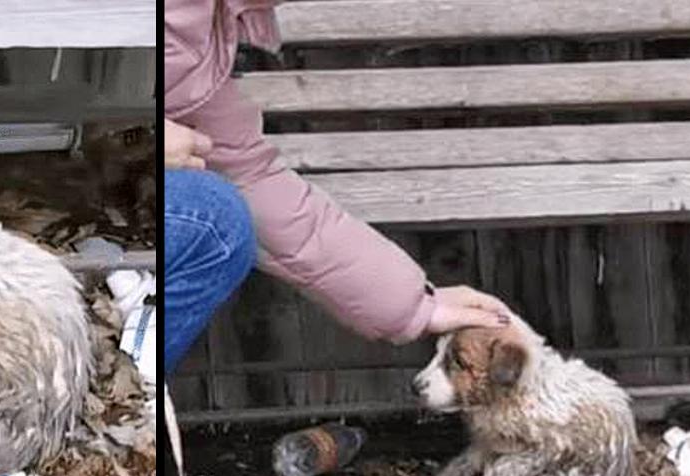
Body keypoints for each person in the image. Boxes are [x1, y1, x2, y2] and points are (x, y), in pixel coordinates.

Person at [164, 0, 510, 374]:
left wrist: (414, 306)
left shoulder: (201, 32)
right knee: (216, 219)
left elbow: (253, 183)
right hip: (103, 193)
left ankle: (130, 396)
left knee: (220, 215)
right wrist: (138, 142)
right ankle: (126, 400)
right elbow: (97, 128)